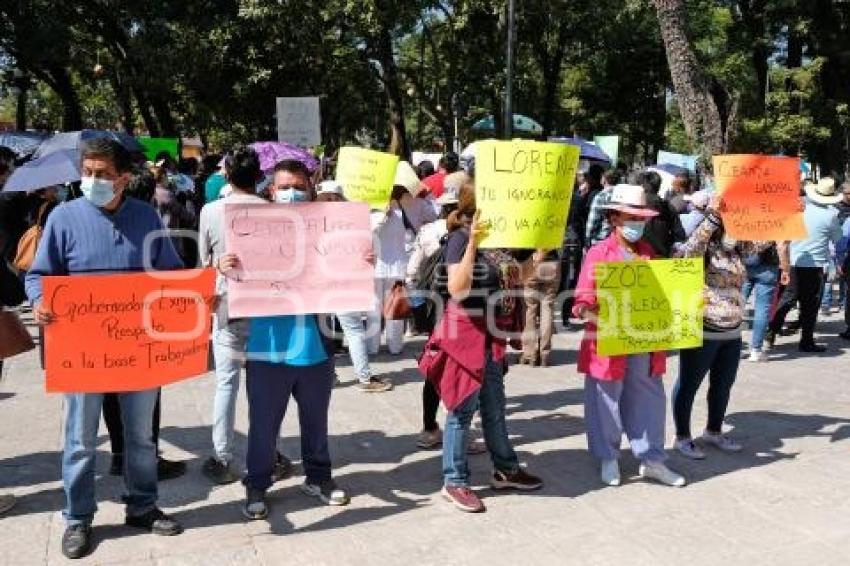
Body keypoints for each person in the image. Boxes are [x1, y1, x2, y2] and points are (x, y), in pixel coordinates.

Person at [26, 138, 184, 559]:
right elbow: (38, 275)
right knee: (79, 440)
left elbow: (170, 271)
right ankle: (78, 518)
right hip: (82, 352)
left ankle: (143, 505)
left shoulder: (146, 216)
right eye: (88, 173)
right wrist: (40, 301)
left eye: (103, 174)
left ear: (124, 179)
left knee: (140, 437)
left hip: (138, 351)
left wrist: (199, 293)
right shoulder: (63, 217)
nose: (92, 181)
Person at [218, 159, 351, 520]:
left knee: (316, 421)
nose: (291, 192)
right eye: (283, 187)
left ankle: (319, 478)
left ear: (310, 188)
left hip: (316, 348)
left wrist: (361, 261)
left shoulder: (328, 231)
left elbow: (345, 279)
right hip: (268, 348)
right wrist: (224, 269)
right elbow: (227, 287)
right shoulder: (250, 233)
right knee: (263, 426)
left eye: (298, 185)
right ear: (271, 192)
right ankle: (257, 485)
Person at [431, 180, 543, 513]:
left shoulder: (499, 242)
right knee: (461, 412)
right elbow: (457, 287)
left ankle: (505, 469)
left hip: (490, 336)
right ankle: (454, 480)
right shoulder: (460, 239)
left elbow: (517, 278)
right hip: (465, 334)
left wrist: (540, 255)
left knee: (494, 407)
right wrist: (472, 245)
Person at [572, 184, 686, 488]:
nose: (637, 224)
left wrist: (685, 299)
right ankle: (608, 457)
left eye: (640, 219)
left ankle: (652, 460)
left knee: (649, 398)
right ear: (613, 219)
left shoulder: (649, 253)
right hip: (607, 343)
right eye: (630, 218)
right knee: (605, 401)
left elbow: (659, 298)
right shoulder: (598, 254)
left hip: (644, 341)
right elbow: (581, 303)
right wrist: (600, 318)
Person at [198, 146, 295, 483]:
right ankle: (271, 451)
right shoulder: (272, 211)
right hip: (268, 307)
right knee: (265, 387)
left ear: (225, 174)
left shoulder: (210, 212)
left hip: (227, 307)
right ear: (259, 176)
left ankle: (222, 456)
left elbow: (202, 266)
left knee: (226, 383)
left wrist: (216, 267)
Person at [671, 193, 768, 460]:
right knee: (689, 383)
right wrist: (713, 217)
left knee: (723, 383)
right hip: (705, 324)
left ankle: (713, 431)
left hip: (733, 327)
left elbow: (759, 245)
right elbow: (687, 251)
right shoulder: (703, 242)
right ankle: (682, 436)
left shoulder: (736, 245)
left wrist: (785, 218)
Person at [316, 180, 390, 393]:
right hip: (335, 285)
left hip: (335, 285)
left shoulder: (320, 222)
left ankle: (334, 376)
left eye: (331, 198)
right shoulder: (350, 222)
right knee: (348, 331)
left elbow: (368, 254)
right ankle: (363, 378)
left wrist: (368, 259)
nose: (329, 202)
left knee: (334, 331)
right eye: (326, 199)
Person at [767, 178, 843, 353]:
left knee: (787, 299)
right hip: (815, 265)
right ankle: (806, 340)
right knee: (810, 304)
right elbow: (837, 238)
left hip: (794, 261)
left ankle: (770, 332)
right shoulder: (831, 215)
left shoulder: (800, 209)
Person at [368, 162, 419, 355]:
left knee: (395, 309)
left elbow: (408, 238)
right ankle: (371, 346)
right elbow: (369, 233)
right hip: (376, 266)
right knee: (373, 309)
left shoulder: (400, 211)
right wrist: (383, 216)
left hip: (396, 266)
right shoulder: (372, 211)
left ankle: (395, 345)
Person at [742, 242, 790, 362]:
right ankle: (756, 350)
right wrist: (785, 269)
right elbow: (782, 246)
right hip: (767, 267)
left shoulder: (747, 222)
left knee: (736, 306)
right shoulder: (776, 224)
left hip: (746, 262)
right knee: (762, 309)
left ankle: (731, 345)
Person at [519, 247, 560, 367]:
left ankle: (529, 353)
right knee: (547, 307)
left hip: (531, 261)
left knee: (529, 309)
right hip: (552, 262)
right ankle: (544, 354)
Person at [639, 170, 687, 258]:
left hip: (637, 258)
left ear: (641, 186)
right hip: (662, 258)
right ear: (659, 187)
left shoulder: (634, 206)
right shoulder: (669, 207)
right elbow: (680, 235)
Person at [584, 169, 621, 247]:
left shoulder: (601, 196)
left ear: (604, 180)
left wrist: (587, 238)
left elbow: (593, 220)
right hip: (618, 239)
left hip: (601, 239)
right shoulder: (622, 195)